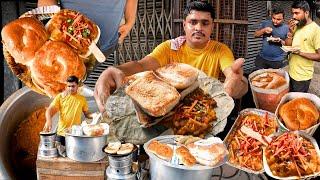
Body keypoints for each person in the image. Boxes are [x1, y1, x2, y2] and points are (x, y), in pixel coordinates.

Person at [94, 1, 248, 113]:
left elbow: (233, 76)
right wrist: (114, 69)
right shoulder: (170, 47)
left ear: (212, 26)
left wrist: (238, 84)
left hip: (205, 113)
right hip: (169, 114)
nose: (199, 28)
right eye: (193, 22)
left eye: (205, 23)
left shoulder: (221, 50)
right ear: (184, 25)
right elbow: (141, 65)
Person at [37, 0, 138, 57]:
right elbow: (46, 2)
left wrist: (131, 19)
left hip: (109, 44)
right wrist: (52, 30)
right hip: (68, 48)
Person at [43, 75, 94, 145]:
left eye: (73, 86)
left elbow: (87, 114)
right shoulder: (60, 97)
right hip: (61, 134)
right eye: (68, 86)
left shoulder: (82, 99)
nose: (70, 88)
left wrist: (94, 116)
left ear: (77, 86)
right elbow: (50, 110)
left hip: (75, 134)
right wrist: (48, 120)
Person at [285, 1, 320, 92]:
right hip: (291, 71)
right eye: (293, 13)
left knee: (297, 102)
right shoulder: (297, 26)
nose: (293, 16)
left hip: (302, 77)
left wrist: (300, 53)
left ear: (306, 13)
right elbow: (288, 45)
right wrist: (290, 34)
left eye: (297, 13)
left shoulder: (316, 30)